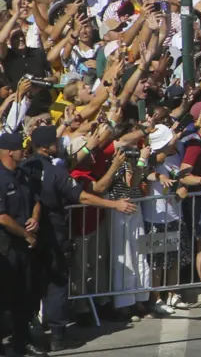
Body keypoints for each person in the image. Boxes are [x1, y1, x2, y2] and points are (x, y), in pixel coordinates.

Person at [22, 125, 136, 349]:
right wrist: (115, 204)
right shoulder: (55, 172)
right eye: (54, 142)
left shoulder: (22, 168)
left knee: (31, 284)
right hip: (53, 235)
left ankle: (28, 334)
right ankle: (57, 336)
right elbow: (83, 197)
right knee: (56, 285)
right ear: (45, 146)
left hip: (27, 236)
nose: (58, 145)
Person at [0, 131, 39, 357]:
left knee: (24, 297)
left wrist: (35, 217)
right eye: (20, 149)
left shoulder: (23, 175)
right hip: (7, 246)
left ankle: (21, 342)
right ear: (10, 152)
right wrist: (26, 234)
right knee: (5, 298)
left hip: (24, 246)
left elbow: (36, 200)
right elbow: (2, 217)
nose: (24, 152)